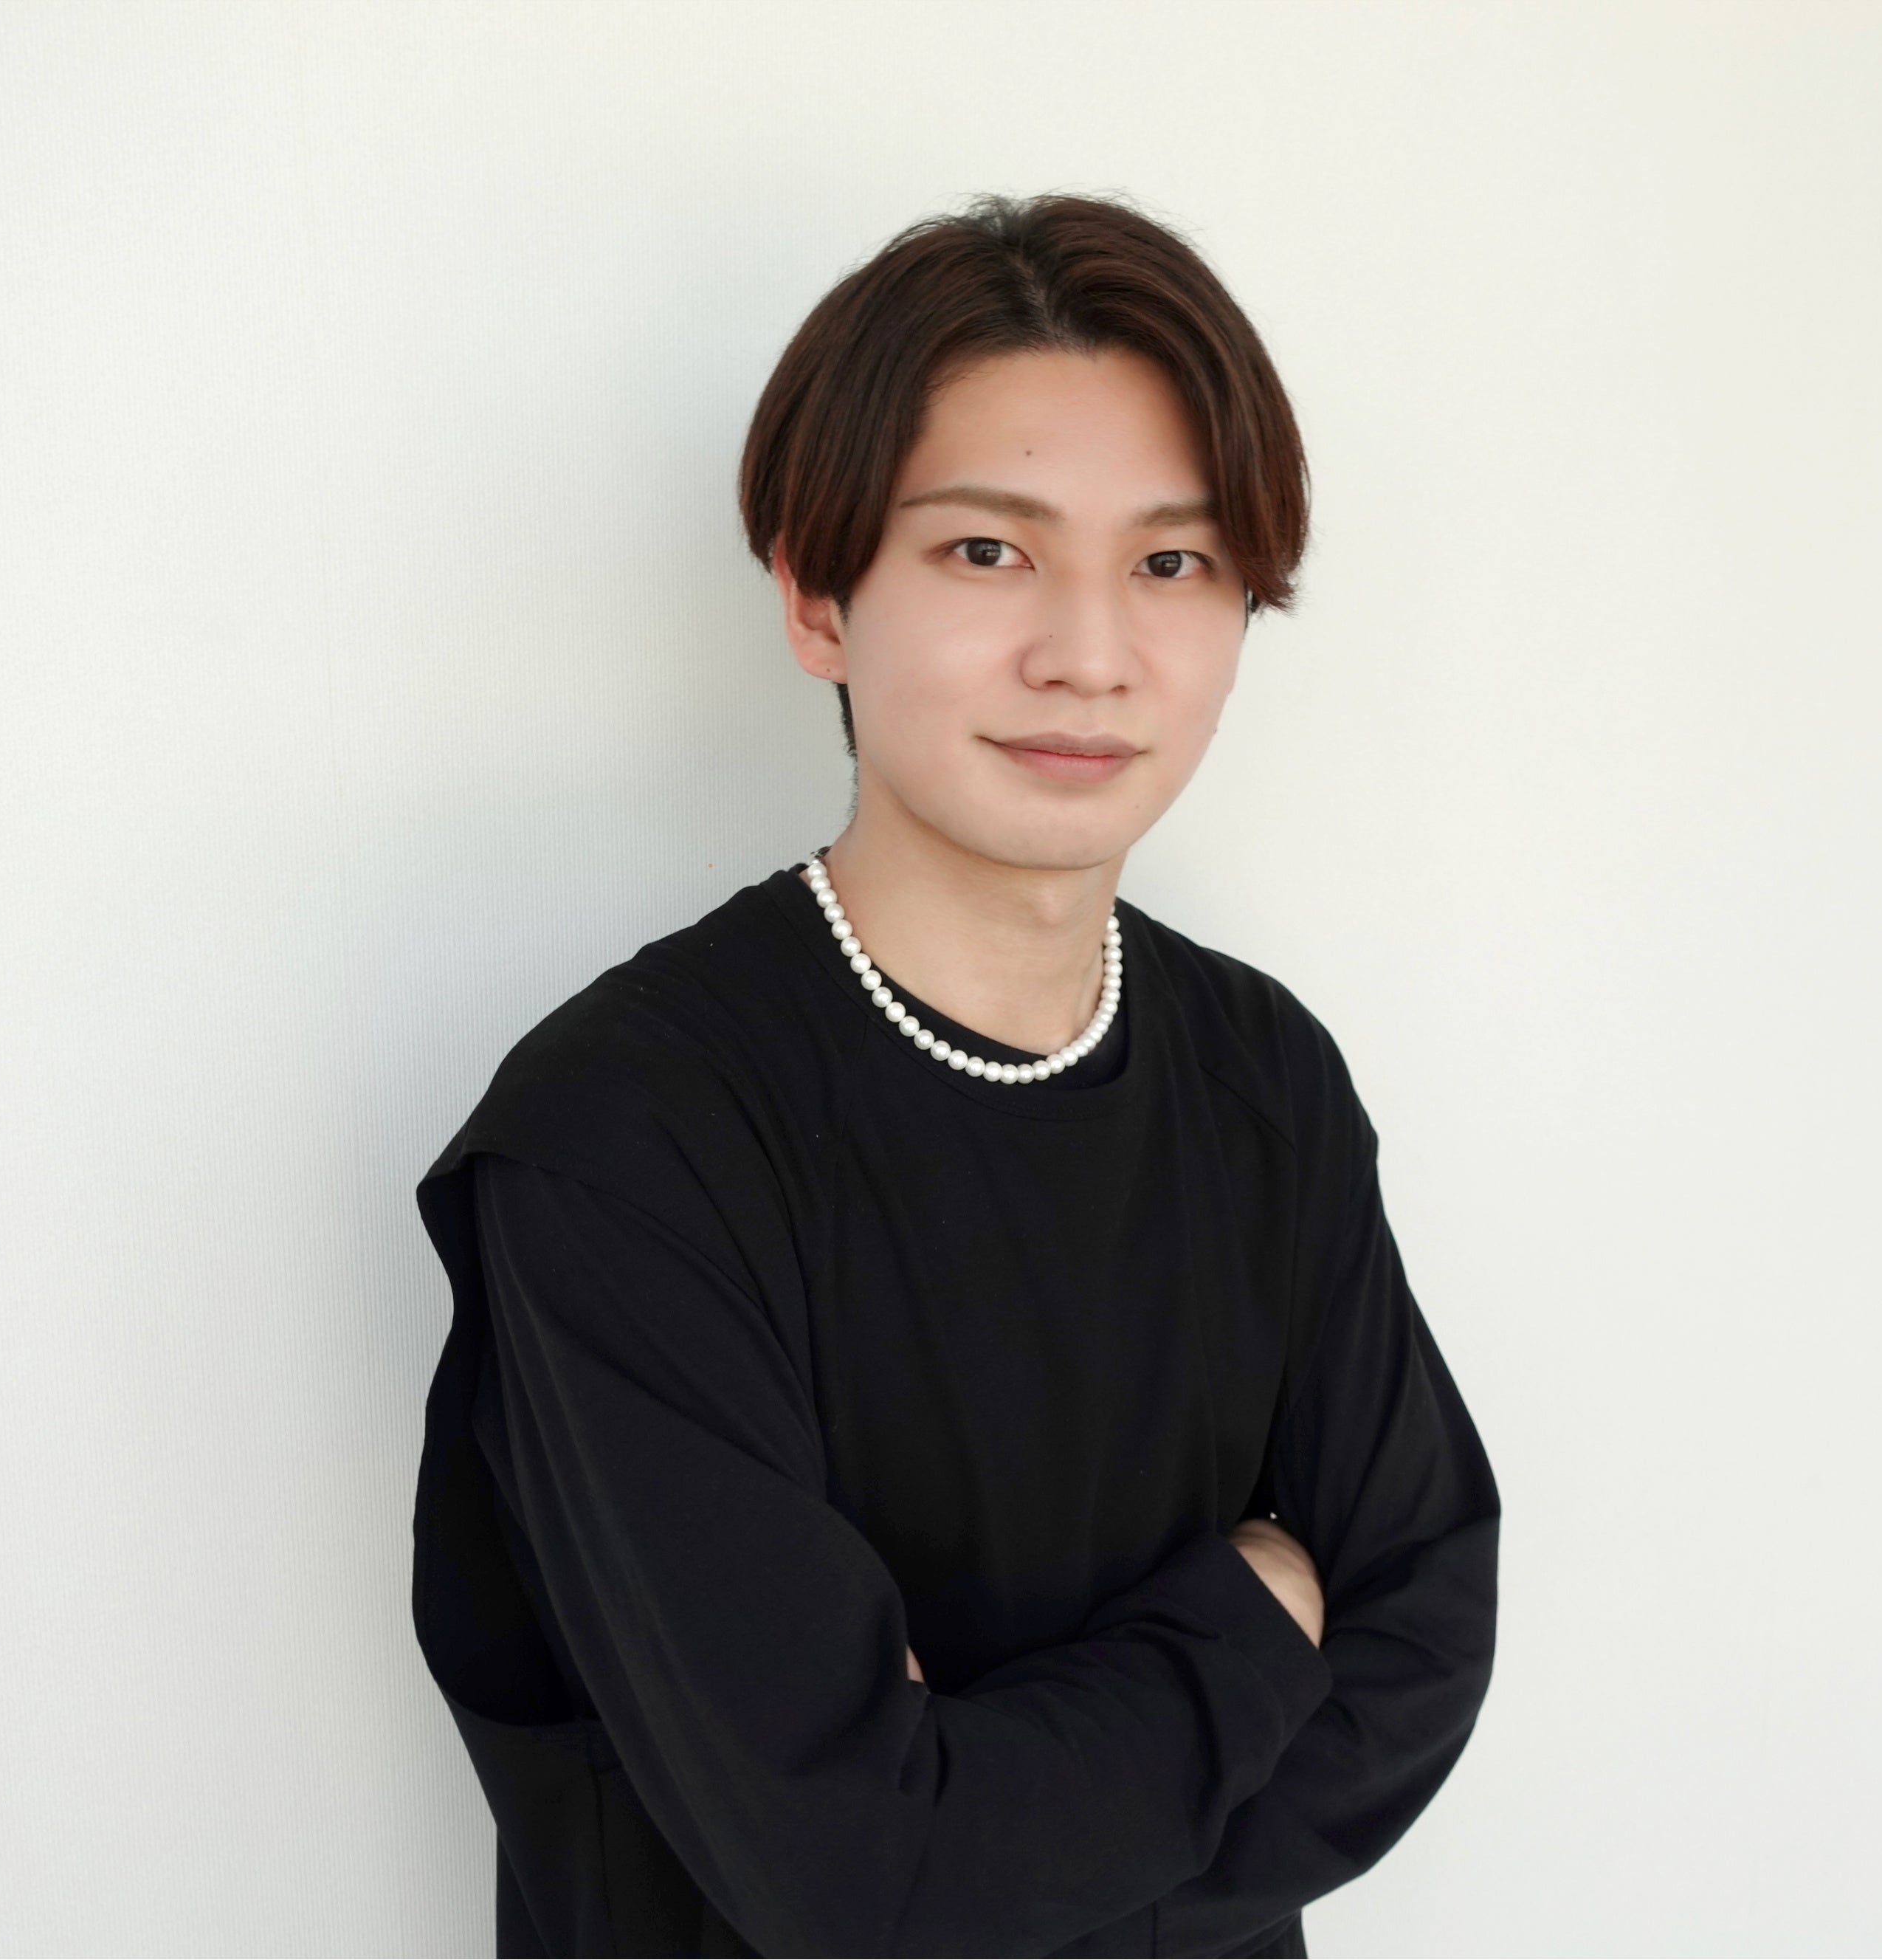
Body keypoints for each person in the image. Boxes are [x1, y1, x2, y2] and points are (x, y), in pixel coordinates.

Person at [410, 193, 1501, 1959]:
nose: (1091, 652)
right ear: (815, 593)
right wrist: (1254, 1606)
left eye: (1172, 563)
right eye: (989, 551)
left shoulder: (1262, 1081)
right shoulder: (625, 1139)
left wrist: (979, 1816)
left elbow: (1421, 1635)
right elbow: (857, 1876)